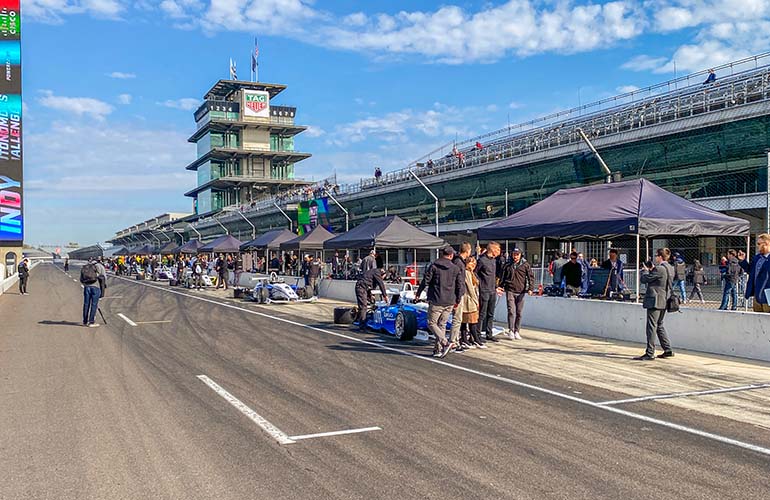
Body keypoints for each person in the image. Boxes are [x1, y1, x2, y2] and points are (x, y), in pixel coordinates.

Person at [416, 246, 464, 358]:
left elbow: (425, 281)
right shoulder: (455, 268)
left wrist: (418, 293)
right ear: (451, 255)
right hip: (450, 300)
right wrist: (458, 299)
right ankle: (438, 349)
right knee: (441, 324)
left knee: (431, 323)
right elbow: (460, 285)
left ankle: (444, 342)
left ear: (442, 254)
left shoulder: (434, 266)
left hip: (436, 299)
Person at [635, 248, 674, 360]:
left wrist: (646, 270)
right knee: (659, 325)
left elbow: (644, 279)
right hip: (664, 300)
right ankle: (667, 349)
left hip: (655, 300)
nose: (655, 258)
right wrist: (652, 269)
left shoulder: (659, 268)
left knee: (651, 326)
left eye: (656, 256)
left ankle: (650, 352)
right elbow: (660, 279)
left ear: (660, 257)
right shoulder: (669, 268)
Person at [499, 247, 534, 340]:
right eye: (514, 254)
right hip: (510, 290)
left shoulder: (525, 265)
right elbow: (502, 277)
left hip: (521, 291)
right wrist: (500, 286)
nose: (515, 256)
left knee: (519, 312)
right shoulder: (507, 265)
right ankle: (511, 330)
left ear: (520, 255)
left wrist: (530, 288)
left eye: (517, 254)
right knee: (511, 311)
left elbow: (530, 277)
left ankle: (517, 331)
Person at [476, 241, 502, 343]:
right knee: (482, 314)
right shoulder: (482, 260)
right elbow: (475, 273)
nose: (499, 252)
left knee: (491, 313)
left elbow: (493, 276)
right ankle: (477, 334)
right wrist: (480, 284)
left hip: (492, 290)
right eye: (498, 250)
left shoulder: (494, 261)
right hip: (484, 290)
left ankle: (489, 333)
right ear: (493, 250)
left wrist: (496, 286)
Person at [448, 242, 471, 352]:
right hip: (456, 294)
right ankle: (453, 342)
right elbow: (459, 281)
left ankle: (455, 340)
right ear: (467, 251)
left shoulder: (457, 261)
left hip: (455, 293)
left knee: (457, 319)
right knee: (457, 319)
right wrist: (458, 296)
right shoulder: (459, 263)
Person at [461, 256, 486, 349]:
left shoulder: (472, 273)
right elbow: (470, 289)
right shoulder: (467, 273)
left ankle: (467, 339)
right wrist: (476, 301)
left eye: (474, 263)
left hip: (471, 299)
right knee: (471, 321)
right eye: (471, 263)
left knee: (467, 321)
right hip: (468, 300)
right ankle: (474, 339)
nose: (473, 265)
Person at [745, 233, 770, 313]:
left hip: (768, 295)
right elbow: (751, 271)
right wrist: (742, 261)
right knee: (757, 320)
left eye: (759, 244)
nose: (757, 246)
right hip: (757, 295)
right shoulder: (757, 257)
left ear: (766, 244)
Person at [81, 258, 106, 328]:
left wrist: (85, 284)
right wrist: (103, 288)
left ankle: (85, 321)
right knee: (94, 304)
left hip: (87, 287)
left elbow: (81, 278)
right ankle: (91, 321)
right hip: (96, 287)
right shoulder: (100, 266)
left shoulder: (86, 266)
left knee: (86, 304)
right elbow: (104, 277)